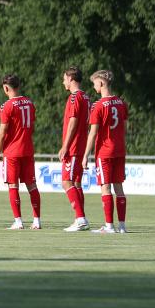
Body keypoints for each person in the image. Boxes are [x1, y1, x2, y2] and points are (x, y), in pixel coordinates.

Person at [83, 70, 129, 234]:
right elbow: (124, 127)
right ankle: (122, 226)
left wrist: (85, 155)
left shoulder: (98, 106)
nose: (93, 86)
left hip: (105, 152)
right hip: (119, 150)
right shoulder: (121, 103)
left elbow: (93, 133)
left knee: (105, 187)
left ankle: (109, 226)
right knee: (119, 188)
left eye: (94, 83)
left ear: (101, 83)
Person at [0, 75, 41, 230]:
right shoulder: (30, 103)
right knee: (32, 186)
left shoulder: (6, 106)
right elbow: (32, 127)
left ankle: (18, 222)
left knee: (13, 186)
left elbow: (2, 132)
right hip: (27, 149)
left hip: (12, 151)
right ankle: (37, 221)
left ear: (6, 88)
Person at [58, 66, 92, 231]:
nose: (63, 82)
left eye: (65, 79)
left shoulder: (74, 97)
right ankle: (81, 219)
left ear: (71, 79)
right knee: (77, 183)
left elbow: (73, 121)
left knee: (66, 182)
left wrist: (65, 146)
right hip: (81, 145)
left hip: (73, 146)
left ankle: (80, 218)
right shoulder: (86, 97)